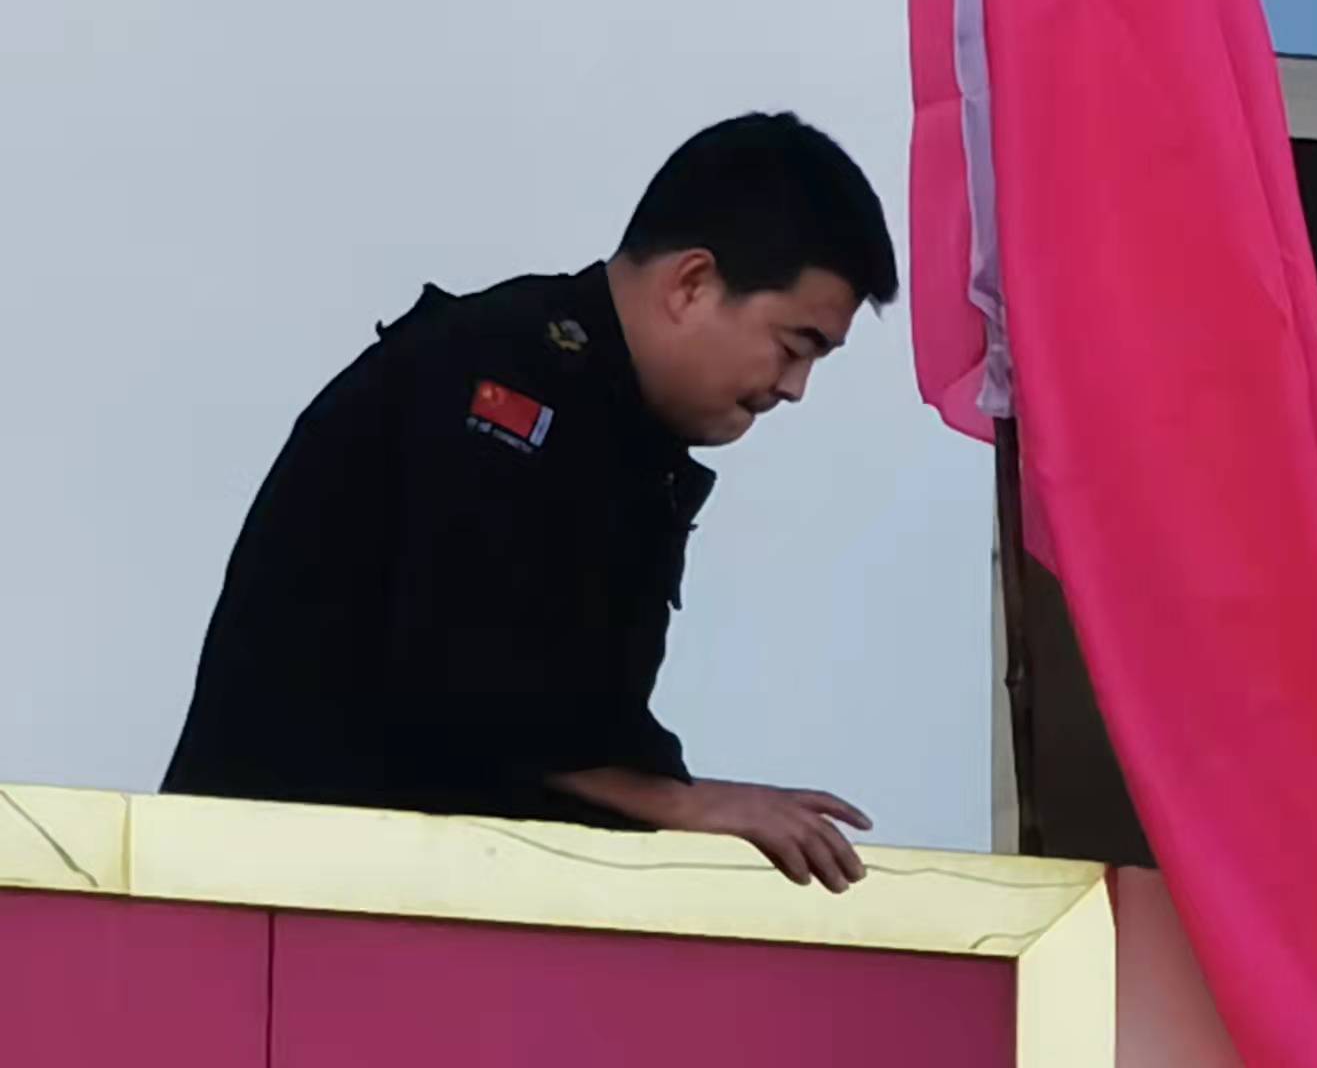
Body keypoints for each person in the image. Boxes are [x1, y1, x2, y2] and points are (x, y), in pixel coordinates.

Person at [162, 111, 899, 894]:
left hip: (388, 896)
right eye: (793, 346)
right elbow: (462, 687)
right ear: (691, 284)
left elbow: (568, 719)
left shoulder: (609, 421)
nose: (795, 388)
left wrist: (680, 802)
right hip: (271, 900)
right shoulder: (501, 385)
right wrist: (684, 804)